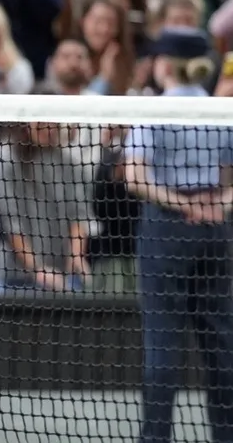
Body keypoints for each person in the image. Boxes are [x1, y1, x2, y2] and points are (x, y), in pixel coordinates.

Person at [122, 27, 233, 443]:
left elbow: (135, 177)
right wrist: (216, 205)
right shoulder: (221, 110)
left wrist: (180, 203)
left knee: (163, 343)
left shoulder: (153, 109)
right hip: (215, 229)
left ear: (164, 64)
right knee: (222, 343)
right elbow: (228, 178)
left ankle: (155, 438)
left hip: (167, 231)